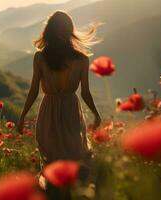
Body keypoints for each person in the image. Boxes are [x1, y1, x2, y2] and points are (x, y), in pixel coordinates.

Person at [17, 10, 101, 169]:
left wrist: (22, 117)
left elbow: (34, 91)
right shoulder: (82, 59)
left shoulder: (40, 58)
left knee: (51, 162)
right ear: (70, 31)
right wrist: (96, 114)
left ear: (48, 31)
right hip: (71, 110)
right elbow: (85, 93)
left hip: (48, 111)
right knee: (74, 156)